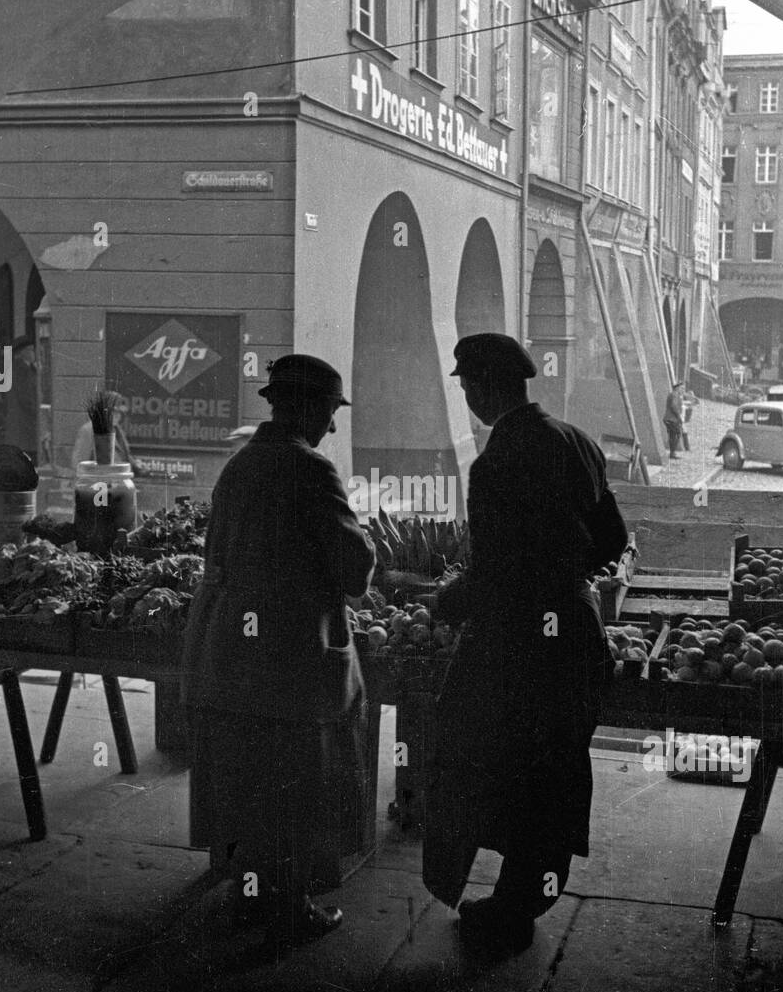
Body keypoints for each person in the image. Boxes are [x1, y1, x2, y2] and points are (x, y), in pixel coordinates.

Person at [423, 333, 629, 956]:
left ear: (484, 387)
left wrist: (445, 602)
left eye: (465, 386)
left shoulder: (495, 463)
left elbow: (494, 572)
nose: (465, 396)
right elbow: (611, 539)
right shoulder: (578, 441)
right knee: (557, 764)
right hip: (576, 628)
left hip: (521, 642)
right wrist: (566, 573)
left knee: (503, 762)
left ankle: (510, 909)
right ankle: (529, 895)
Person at [180, 355, 375, 952]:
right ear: (310, 410)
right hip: (290, 655)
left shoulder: (238, 467)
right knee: (297, 781)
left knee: (247, 778)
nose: (333, 429)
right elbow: (354, 568)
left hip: (233, 650)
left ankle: (249, 897)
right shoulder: (310, 468)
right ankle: (289, 912)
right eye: (329, 414)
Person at [71, 396, 143, 474]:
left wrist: (135, 464)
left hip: (118, 481)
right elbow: (79, 464)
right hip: (99, 482)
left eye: (119, 413)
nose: (117, 416)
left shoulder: (117, 430)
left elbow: (123, 456)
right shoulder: (89, 430)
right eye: (113, 412)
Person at [2, 337, 39, 464]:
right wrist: (37, 413)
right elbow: (26, 397)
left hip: (20, 421)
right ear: (23, 352)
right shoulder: (22, 369)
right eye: (31, 350)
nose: (34, 353)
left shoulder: (20, 367)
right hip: (24, 421)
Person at [663, 381, 684, 459]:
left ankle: (672, 453)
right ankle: (672, 453)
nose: (683, 390)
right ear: (677, 388)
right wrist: (679, 417)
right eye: (682, 388)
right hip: (672, 419)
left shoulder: (674, 394)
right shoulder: (675, 394)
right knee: (677, 433)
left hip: (669, 418)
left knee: (673, 435)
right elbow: (674, 406)